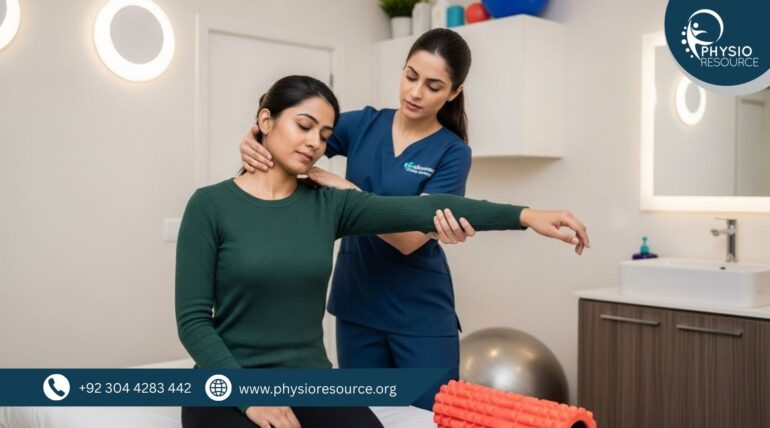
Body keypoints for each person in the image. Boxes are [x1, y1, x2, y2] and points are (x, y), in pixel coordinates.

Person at [178, 75, 588, 427]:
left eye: (324, 135)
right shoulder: (210, 205)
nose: (314, 143)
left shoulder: (329, 204)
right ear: (265, 121)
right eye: (303, 126)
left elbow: (425, 209)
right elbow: (193, 321)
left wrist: (526, 215)